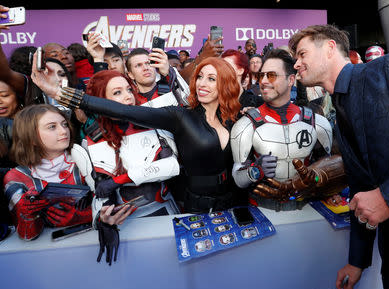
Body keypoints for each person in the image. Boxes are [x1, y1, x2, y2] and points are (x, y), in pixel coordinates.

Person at [288, 24, 389, 289]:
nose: (296, 64)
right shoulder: (340, 112)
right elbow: (363, 188)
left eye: (302, 54)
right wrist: (357, 261)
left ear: (329, 47)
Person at [32, 56, 246, 214]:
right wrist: (58, 93)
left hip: (234, 200)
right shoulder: (179, 116)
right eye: (199, 77)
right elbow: (124, 111)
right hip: (197, 206)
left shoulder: (234, 118)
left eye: (211, 78)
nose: (201, 83)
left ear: (225, 83)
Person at [82, 70, 181, 265]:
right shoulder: (92, 139)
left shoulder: (153, 123)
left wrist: (120, 179)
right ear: (100, 100)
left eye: (129, 89)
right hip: (127, 225)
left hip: (167, 211)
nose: (128, 96)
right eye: (117, 92)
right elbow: (99, 190)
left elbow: (172, 165)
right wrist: (103, 221)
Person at [230, 49, 341, 211]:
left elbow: (328, 168)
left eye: (272, 75)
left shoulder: (317, 122)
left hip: (307, 207)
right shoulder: (245, 125)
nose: (264, 81)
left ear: (290, 80)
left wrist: (318, 180)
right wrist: (255, 170)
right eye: (262, 76)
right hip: (263, 209)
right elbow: (238, 179)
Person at [3, 104, 93, 241]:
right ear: (31, 137)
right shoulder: (16, 177)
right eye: (52, 127)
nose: (64, 131)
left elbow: (122, 204)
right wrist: (27, 214)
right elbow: (27, 236)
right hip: (46, 252)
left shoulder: (87, 158)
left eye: (64, 124)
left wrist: (84, 216)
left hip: (93, 240)